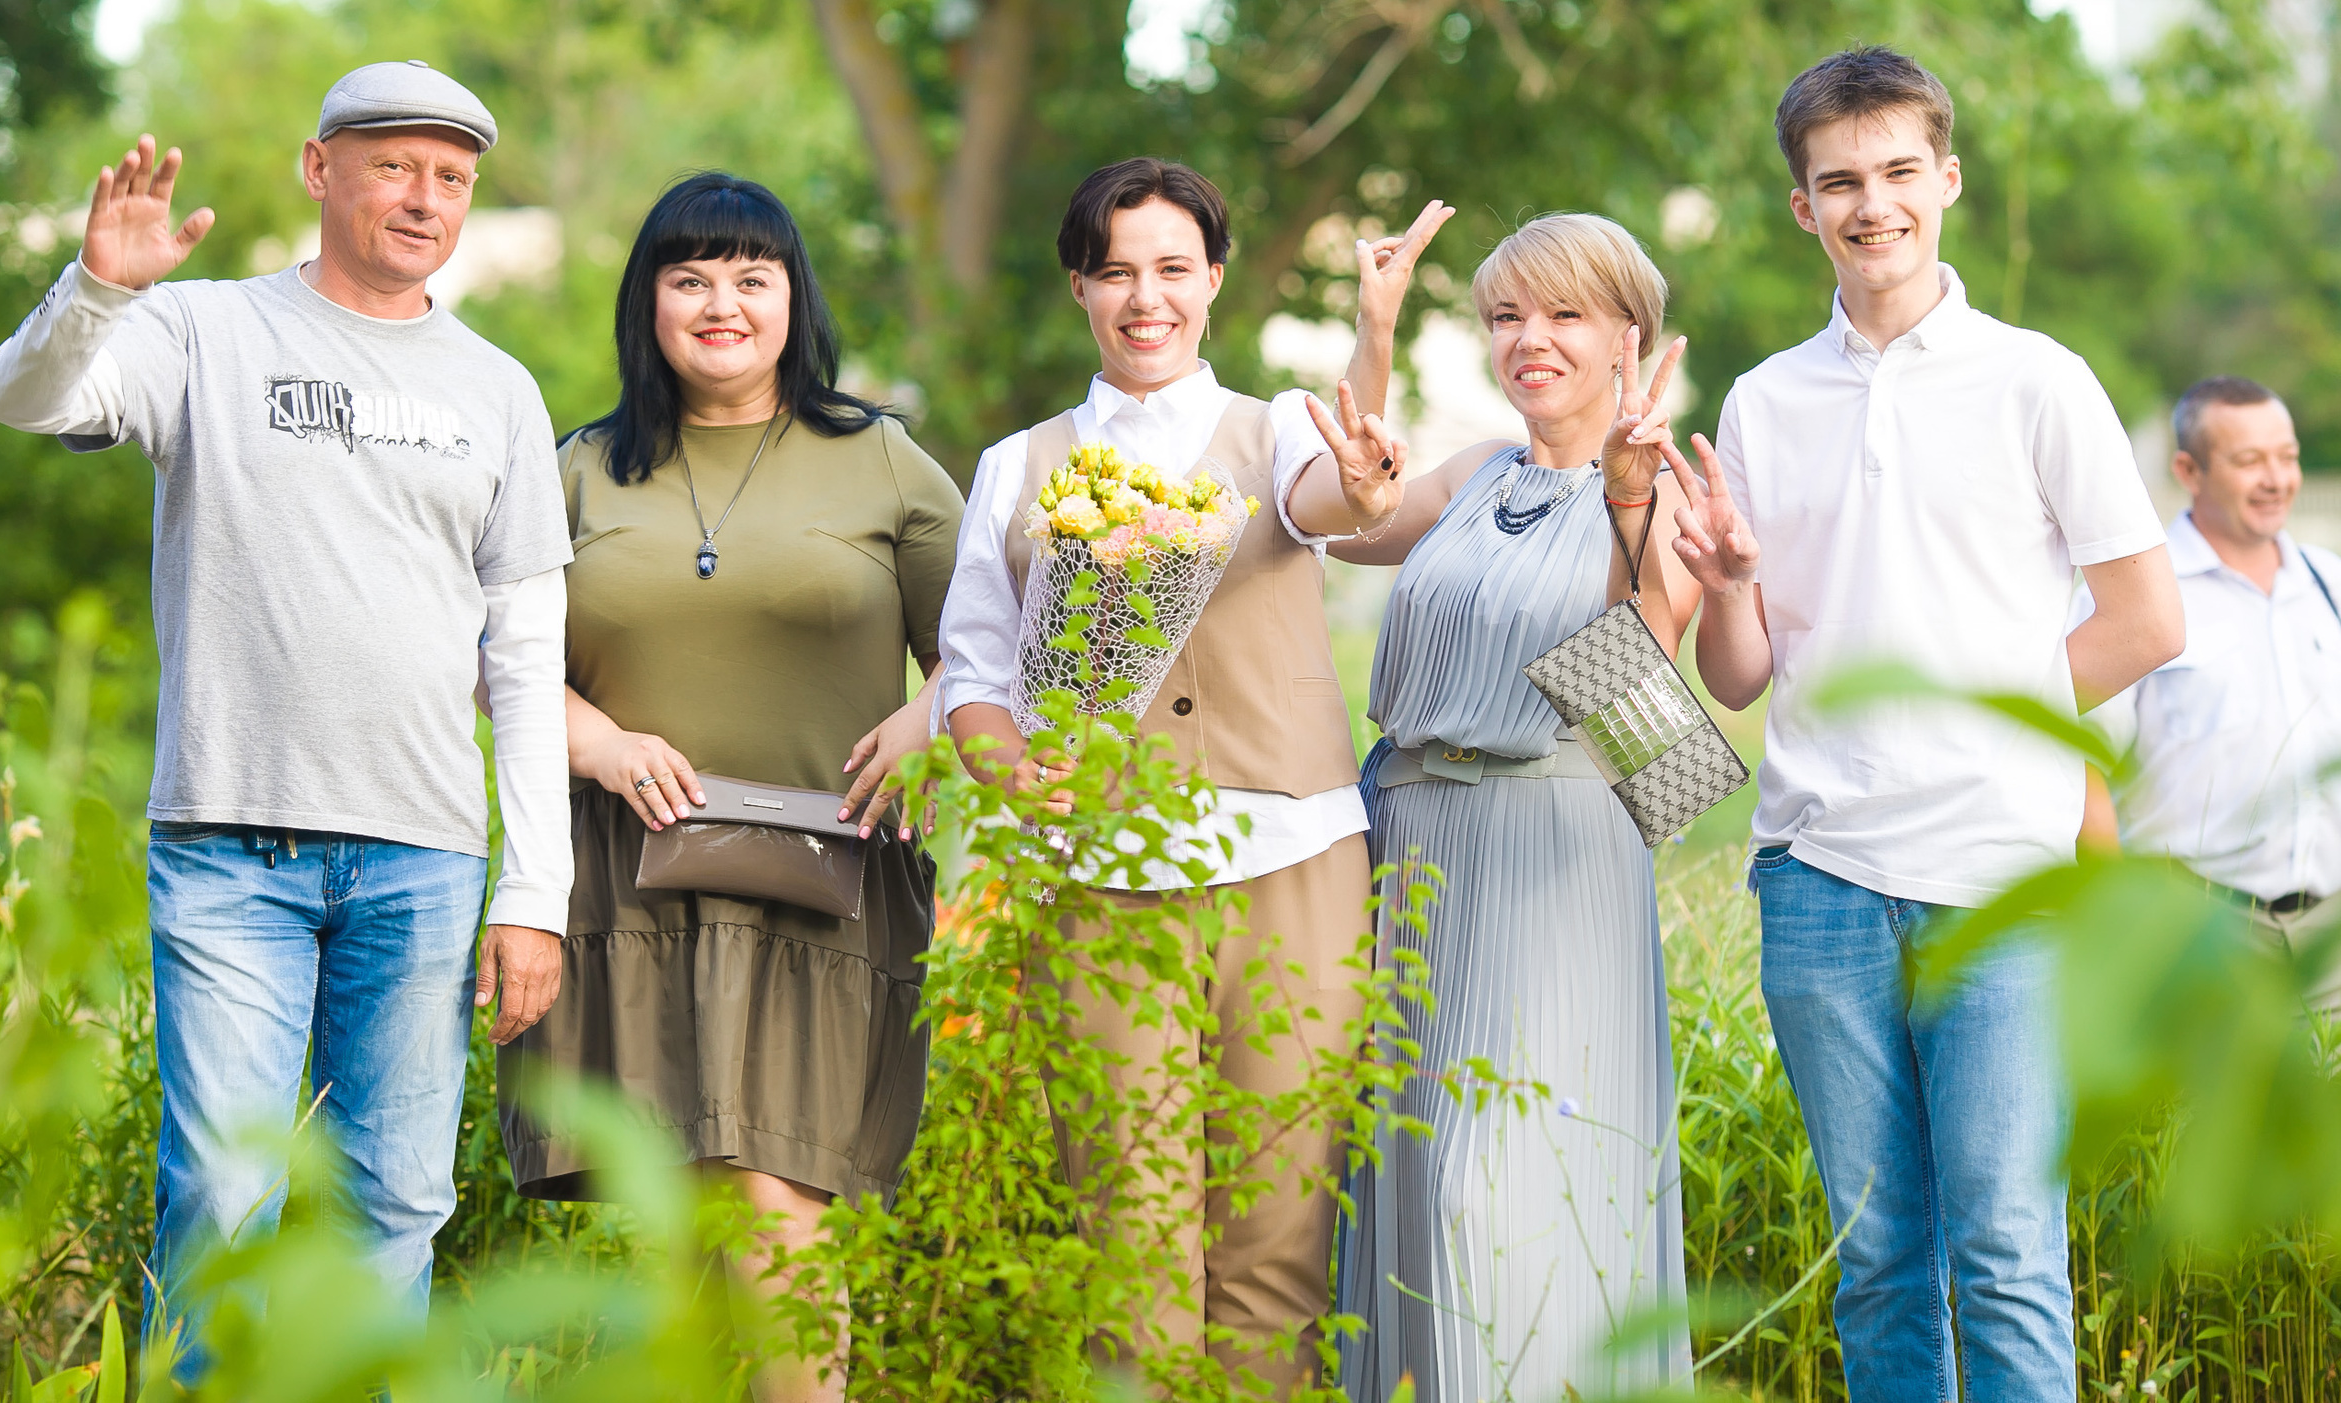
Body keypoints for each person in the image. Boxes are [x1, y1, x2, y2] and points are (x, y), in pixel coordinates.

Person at [0, 62, 574, 1369]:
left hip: (423, 855)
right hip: (229, 844)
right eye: (393, 165)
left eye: (452, 177)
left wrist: (537, 890)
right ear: (319, 169)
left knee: (394, 1207)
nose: (423, 197)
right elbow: (22, 398)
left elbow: (530, 657)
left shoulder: (500, 390)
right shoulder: (201, 331)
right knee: (223, 1195)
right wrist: (96, 291)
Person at [1666, 45, 2183, 1401]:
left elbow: (2146, 621)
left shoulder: (2037, 379)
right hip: (1818, 874)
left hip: (2000, 875)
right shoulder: (1765, 401)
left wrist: (1986, 723)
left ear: (1947, 179)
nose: (1872, 204)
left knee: (2004, 1247)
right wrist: (1730, 584)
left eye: (1898, 171)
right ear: (1803, 206)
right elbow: (1740, 674)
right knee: (1879, 1259)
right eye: (1840, 181)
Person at [936, 158, 1423, 1396]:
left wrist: (1373, 337)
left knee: (1278, 1235)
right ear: (1079, 289)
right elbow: (972, 674)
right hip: (1099, 882)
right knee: (1129, 1246)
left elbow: (1338, 496)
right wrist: (1010, 768)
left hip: (1292, 866)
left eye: (1170, 269)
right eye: (1114, 272)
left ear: (1211, 279)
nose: (1143, 298)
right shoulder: (1017, 464)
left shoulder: (1277, 430)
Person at [496, 172, 962, 1403]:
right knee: (688, 1223)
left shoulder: (880, 460)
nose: (722, 304)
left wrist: (927, 716)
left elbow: (997, 644)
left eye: (752, 278)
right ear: (647, 301)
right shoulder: (577, 471)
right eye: (691, 277)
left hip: (821, 883)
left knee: (771, 1198)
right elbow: (493, 664)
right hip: (630, 881)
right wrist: (598, 742)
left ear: (792, 299)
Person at [1302, 213, 1699, 1398]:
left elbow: (1641, 684)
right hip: (1410, 844)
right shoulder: (1477, 471)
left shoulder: (1667, 491)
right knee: (1404, 1177)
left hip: (1551, 851)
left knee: (1497, 1190)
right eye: (1506, 316)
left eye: (1565, 313)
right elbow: (1346, 513)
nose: (1531, 339)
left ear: (1630, 337)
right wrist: (1375, 332)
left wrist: (1625, 502)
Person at [2079, 376, 2341, 1012]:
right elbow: (2083, 767)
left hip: (2328, 940)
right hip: (2197, 935)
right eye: (2249, 461)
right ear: (2188, 471)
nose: (2276, 480)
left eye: (2287, 457)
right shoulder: (2138, 598)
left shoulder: (2329, 584)